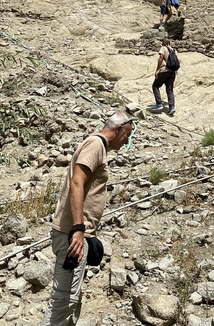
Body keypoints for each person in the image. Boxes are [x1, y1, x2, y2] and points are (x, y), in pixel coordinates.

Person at [39, 112, 134, 326]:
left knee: (71, 303)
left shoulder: (97, 146)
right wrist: (79, 229)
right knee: (62, 303)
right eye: (127, 135)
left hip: (74, 234)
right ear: (118, 129)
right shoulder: (95, 144)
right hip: (71, 237)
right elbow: (77, 183)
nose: (127, 141)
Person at [150, 38, 178, 116]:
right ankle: (172, 107)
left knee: (155, 86)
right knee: (170, 90)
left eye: (162, 43)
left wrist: (157, 70)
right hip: (172, 72)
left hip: (164, 71)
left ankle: (159, 104)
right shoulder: (174, 50)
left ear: (164, 43)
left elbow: (161, 58)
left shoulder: (163, 48)